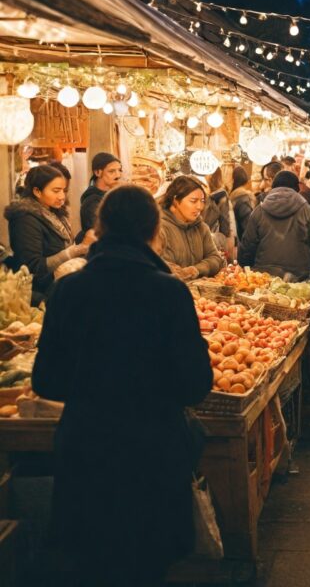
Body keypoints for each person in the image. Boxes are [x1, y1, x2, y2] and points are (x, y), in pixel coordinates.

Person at [33, 185, 212, 586]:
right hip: (153, 451)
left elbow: (46, 379)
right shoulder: (169, 291)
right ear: (154, 231)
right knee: (147, 564)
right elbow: (196, 383)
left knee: (92, 564)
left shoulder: (68, 291)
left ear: (101, 228)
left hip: (87, 448)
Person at [4, 165, 95, 305]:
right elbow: (31, 266)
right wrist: (75, 251)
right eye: (56, 191)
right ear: (37, 191)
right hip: (41, 293)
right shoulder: (24, 219)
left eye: (64, 191)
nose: (62, 196)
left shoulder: (54, 212)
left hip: (61, 285)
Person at [238, 171, 310, 281]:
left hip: (263, 278)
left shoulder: (259, 211)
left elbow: (247, 245)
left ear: (273, 187)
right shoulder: (307, 211)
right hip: (297, 279)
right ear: (297, 188)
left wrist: (247, 269)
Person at [159, 175, 225, 280]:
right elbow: (159, 264)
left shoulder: (202, 227)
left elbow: (215, 258)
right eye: (193, 201)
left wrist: (196, 269)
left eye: (202, 201)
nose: (200, 206)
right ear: (176, 201)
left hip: (201, 293)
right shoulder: (159, 228)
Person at [77, 152, 122, 241]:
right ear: (97, 172)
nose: (118, 175)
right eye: (112, 171)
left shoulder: (111, 194)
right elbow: (101, 233)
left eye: (119, 170)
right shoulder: (92, 201)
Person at [202, 168, 233, 257]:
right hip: (214, 239)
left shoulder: (214, 196)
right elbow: (225, 224)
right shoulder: (221, 195)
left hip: (207, 237)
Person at [230, 166, 256, 241]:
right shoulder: (243, 196)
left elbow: (247, 226)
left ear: (234, 180)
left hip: (240, 242)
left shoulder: (240, 197)